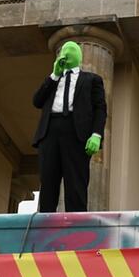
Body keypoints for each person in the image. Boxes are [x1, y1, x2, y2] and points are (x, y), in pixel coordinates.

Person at [31, 41, 106, 212]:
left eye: (71, 51)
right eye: (64, 51)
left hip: (76, 133)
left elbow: (100, 108)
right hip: (49, 133)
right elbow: (37, 101)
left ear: (78, 56)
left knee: (76, 186)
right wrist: (54, 75)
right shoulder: (53, 79)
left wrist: (96, 134)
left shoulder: (92, 79)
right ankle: (45, 229)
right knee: (48, 184)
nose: (66, 54)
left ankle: (77, 230)